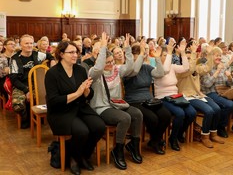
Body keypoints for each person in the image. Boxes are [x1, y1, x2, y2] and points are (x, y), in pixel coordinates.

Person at [45, 41, 105, 175]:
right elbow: (54, 101)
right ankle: (73, 158)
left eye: (76, 52)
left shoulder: (80, 70)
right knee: (82, 131)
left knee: (99, 126)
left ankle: (83, 155)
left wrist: (86, 91)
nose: (75, 55)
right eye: (71, 52)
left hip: (80, 108)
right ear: (61, 54)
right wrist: (78, 93)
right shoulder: (52, 73)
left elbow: (88, 96)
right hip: (61, 112)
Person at [89, 32, 143, 170]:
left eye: (112, 61)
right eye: (108, 62)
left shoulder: (117, 70)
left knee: (137, 114)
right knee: (125, 118)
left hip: (118, 104)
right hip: (102, 107)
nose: (111, 64)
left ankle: (134, 145)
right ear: (100, 61)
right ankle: (117, 150)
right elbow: (99, 66)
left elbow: (130, 67)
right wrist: (102, 47)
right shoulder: (94, 73)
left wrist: (127, 49)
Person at [123, 41, 172, 155]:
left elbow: (160, 73)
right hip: (134, 101)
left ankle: (154, 141)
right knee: (153, 118)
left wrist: (158, 59)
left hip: (149, 100)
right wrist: (141, 54)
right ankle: (156, 141)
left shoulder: (146, 67)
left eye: (142, 54)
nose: (142, 56)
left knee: (166, 115)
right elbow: (135, 71)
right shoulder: (128, 69)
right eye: (138, 54)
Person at [176, 42, 224, 148]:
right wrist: (193, 53)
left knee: (217, 109)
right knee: (209, 111)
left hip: (198, 95)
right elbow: (190, 69)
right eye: (187, 59)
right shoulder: (180, 71)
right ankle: (205, 136)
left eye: (190, 58)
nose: (189, 60)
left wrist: (211, 54)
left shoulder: (196, 68)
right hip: (187, 96)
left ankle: (213, 134)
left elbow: (207, 68)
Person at [154, 40, 197, 151]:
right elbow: (165, 69)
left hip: (175, 96)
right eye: (164, 55)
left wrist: (182, 53)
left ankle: (178, 133)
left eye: (167, 55)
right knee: (180, 113)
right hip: (163, 98)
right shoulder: (157, 70)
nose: (167, 57)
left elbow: (186, 68)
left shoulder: (172, 66)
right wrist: (169, 52)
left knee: (192, 113)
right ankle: (173, 139)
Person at [10, 34, 55, 129]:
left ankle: (40, 118)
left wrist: (52, 60)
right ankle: (27, 119)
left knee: (50, 98)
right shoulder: (14, 58)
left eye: (31, 43)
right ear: (21, 45)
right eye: (26, 43)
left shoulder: (38, 54)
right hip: (21, 86)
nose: (29, 45)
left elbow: (49, 55)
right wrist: (26, 91)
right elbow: (13, 79)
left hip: (37, 85)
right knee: (17, 104)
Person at [200, 47, 233, 138]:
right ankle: (221, 126)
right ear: (211, 56)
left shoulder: (223, 66)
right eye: (217, 55)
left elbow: (231, 84)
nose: (219, 58)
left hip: (225, 91)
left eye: (220, 56)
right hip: (211, 92)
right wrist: (217, 71)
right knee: (229, 104)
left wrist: (229, 77)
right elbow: (207, 84)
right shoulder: (205, 68)